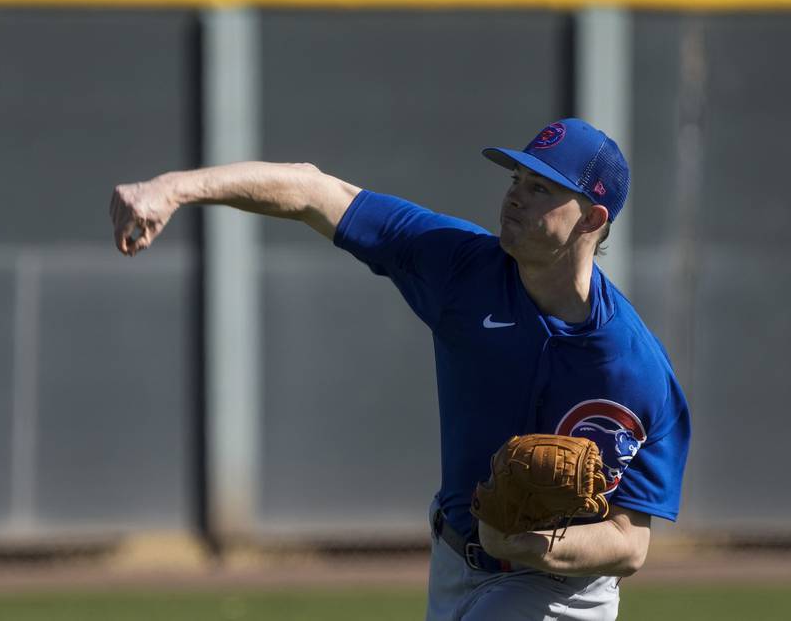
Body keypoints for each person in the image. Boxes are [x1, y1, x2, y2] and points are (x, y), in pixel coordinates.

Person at [110, 117, 691, 621]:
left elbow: (629, 544)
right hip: (453, 561)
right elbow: (313, 190)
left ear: (591, 219)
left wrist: (530, 545)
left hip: (557, 588)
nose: (515, 196)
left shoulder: (631, 370)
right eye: (516, 179)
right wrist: (173, 188)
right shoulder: (461, 268)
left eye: (540, 188)